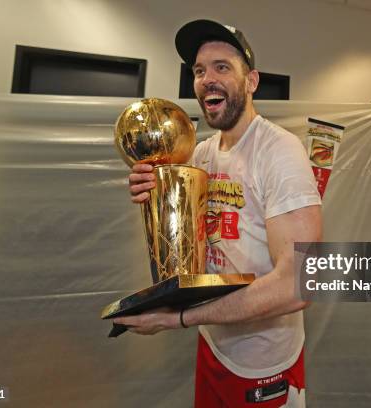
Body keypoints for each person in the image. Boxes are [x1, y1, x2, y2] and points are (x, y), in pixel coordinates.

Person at [113, 19, 322, 407]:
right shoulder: (202, 155)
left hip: (264, 363)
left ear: (252, 81)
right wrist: (149, 185)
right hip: (214, 340)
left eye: (222, 67)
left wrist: (176, 319)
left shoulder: (279, 151)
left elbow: (300, 283)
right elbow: (181, 241)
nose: (207, 78)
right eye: (199, 70)